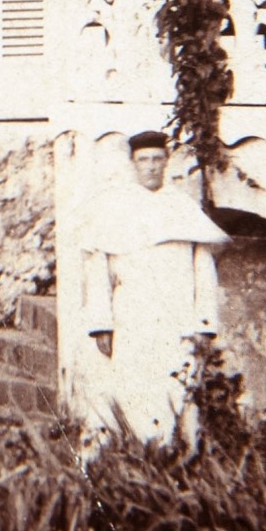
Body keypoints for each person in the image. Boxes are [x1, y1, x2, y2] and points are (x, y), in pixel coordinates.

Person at [77, 128, 229, 443]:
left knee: (176, 386)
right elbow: (99, 271)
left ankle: (178, 453)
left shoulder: (183, 208)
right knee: (133, 386)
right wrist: (102, 325)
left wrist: (204, 324)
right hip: (131, 317)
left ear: (166, 162)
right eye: (143, 160)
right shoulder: (115, 209)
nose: (150, 166)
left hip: (177, 317)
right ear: (133, 164)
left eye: (157, 159)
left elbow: (203, 270)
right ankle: (137, 453)